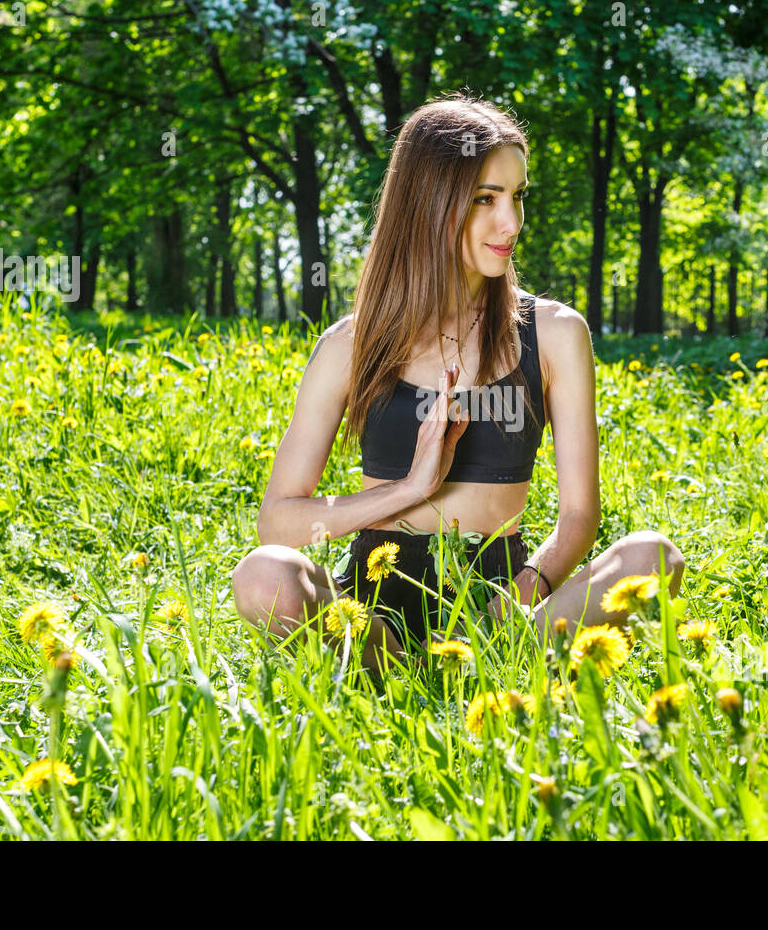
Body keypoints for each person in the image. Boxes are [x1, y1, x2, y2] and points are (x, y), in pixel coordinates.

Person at [231, 94, 686, 672]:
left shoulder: (554, 333)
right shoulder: (350, 344)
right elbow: (279, 522)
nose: (511, 223)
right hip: (375, 606)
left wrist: (528, 588)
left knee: (653, 556)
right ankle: (399, 670)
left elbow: (578, 514)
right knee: (262, 573)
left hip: (504, 606)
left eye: (517, 197)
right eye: (485, 199)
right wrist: (407, 489)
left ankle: (494, 662)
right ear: (429, 202)